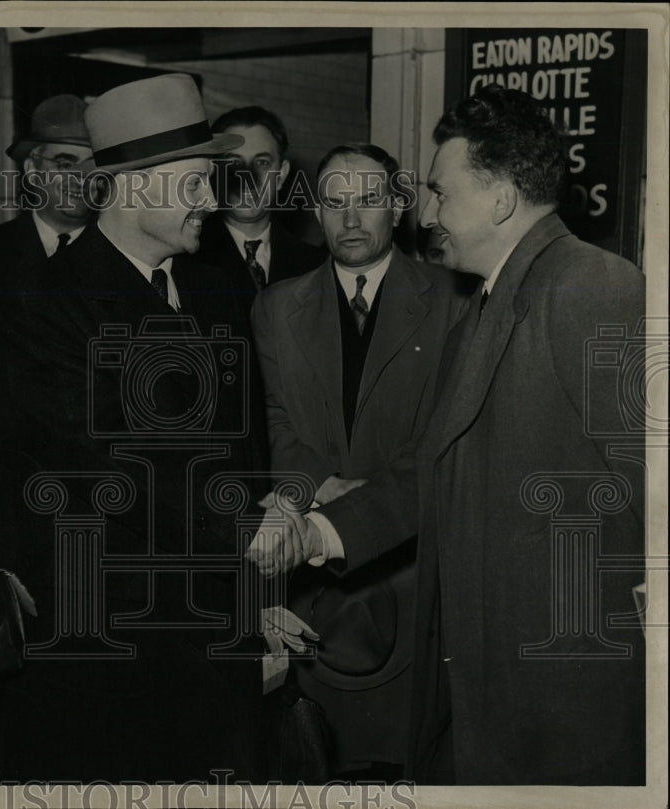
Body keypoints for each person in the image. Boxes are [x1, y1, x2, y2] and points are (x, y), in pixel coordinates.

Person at [248, 85, 646, 785]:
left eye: (440, 191)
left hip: (571, 691)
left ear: (497, 199)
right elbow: (428, 475)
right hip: (491, 682)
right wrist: (319, 532)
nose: (427, 213)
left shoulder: (592, 286)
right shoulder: (484, 307)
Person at [0, 73, 273, 783]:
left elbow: (244, 451)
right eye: (198, 182)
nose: (214, 199)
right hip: (112, 671)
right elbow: (118, 471)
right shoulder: (45, 306)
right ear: (136, 185)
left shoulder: (212, 285)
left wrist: (259, 595)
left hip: (217, 649)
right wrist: (258, 536)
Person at [251, 144, 468, 780]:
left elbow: (443, 439)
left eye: (368, 201)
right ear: (316, 211)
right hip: (311, 577)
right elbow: (272, 424)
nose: (351, 218)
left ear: (399, 206)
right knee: (315, 756)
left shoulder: (456, 300)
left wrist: (364, 507)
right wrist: (328, 488)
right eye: (336, 202)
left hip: (412, 567)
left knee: (406, 762)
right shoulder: (274, 307)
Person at [0, 94, 94, 384]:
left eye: (92, 167)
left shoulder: (123, 255)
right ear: (33, 170)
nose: (80, 179)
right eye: (65, 164)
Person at [195, 106, 324, 306]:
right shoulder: (188, 258)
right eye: (233, 163)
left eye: (262, 163)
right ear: (214, 172)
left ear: (281, 175)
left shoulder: (316, 266)